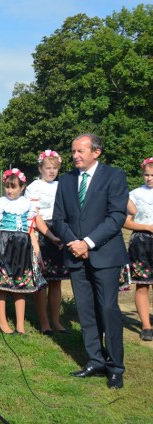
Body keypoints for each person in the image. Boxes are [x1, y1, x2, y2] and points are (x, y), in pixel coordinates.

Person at [52, 133, 128, 390]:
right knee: (85, 311)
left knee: (107, 309)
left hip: (104, 255)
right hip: (75, 255)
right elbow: (59, 219)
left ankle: (115, 366)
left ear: (96, 152)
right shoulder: (66, 180)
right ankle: (95, 360)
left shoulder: (114, 176)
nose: (75, 156)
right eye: (73, 151)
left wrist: (89, 243)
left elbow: (116, 216)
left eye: (80, 151)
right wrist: (75, 243)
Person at [0, 168, 45, 335]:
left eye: (14, 187)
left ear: (22, 187)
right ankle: (3, 323)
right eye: (7, 186)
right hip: (5, 244)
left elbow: (30, 229)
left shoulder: (27, 204)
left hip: (22, 247)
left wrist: (37, 250)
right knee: (2, 286)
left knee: (21, 285)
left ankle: (20, 325)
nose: (10, 190)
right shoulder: (0, 203)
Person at [25, 150, 69, 335]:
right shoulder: (34, 187)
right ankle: (44, 323)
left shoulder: (62, 185)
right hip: (42, 232)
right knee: (42, 280)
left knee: (57, 281)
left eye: (55, 168)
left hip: (60, 229)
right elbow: (35, 215)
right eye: (48, 168)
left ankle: (56, 321)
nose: (52, 172)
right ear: (40, 168)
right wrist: (51, 236)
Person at [123, 157, 153, 342]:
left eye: (152, 175)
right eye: (146, 175)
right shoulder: (134, 194)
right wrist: (147, 227)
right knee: (142, 284)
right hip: (142, 242)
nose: (149, 178)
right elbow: (126, 221)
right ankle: (146, 325)